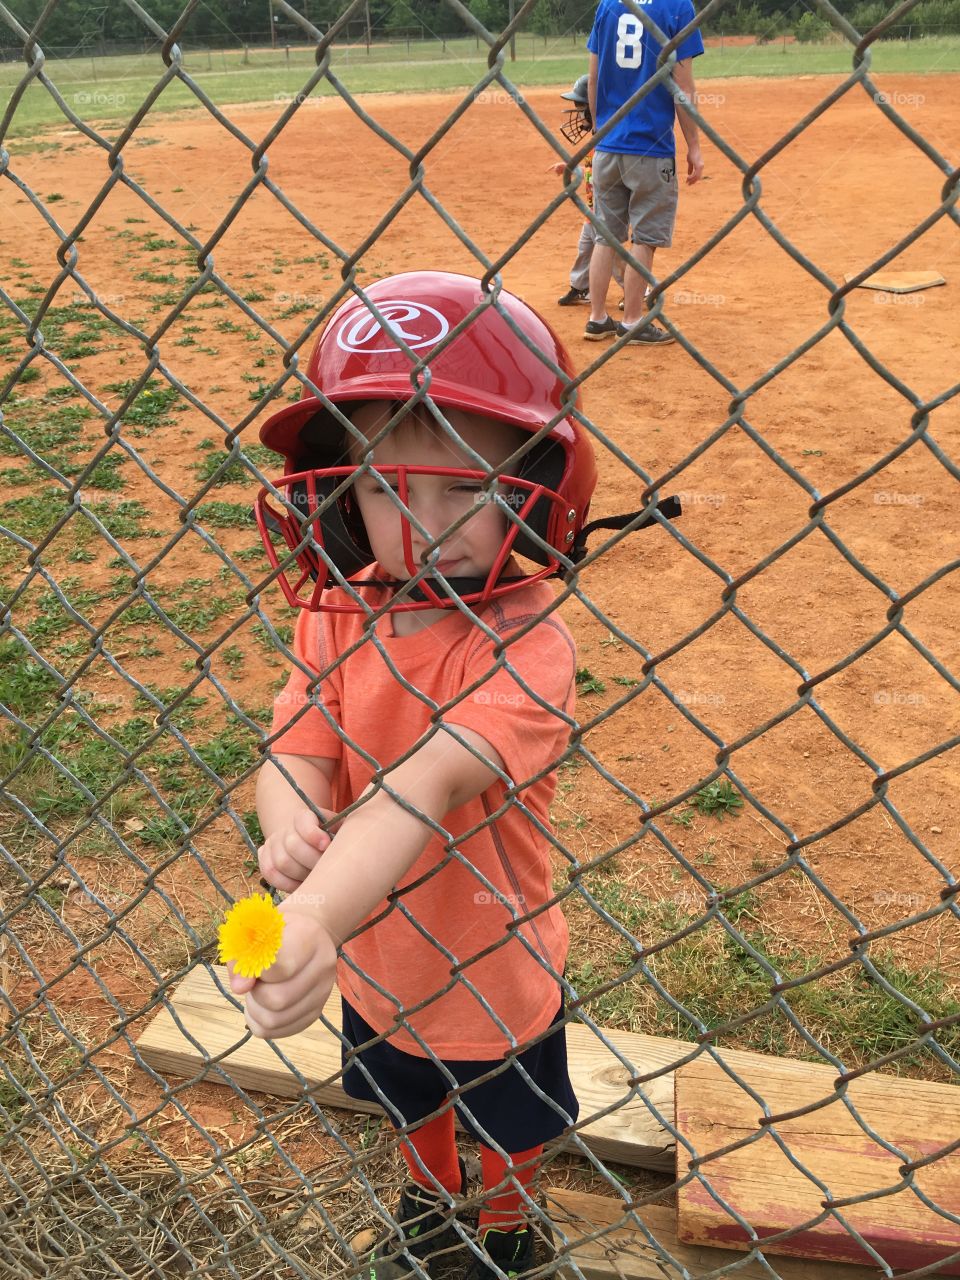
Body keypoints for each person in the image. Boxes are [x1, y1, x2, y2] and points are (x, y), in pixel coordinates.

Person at [233, 271, 598, 1279]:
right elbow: (296, 748)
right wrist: (290, 823)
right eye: (387, 487)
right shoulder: (338, 608)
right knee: (406, 1098)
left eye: (463, 489)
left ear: (533, 492)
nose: (422, 523)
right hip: (376, 955)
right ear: (343, 490)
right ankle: (433, 1199)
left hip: (491, 967)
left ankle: (512, 1218)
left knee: (509, 1117)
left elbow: (418, 787)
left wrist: (313, 916)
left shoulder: (529, 647)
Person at [583, 0, 705, 347]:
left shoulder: (609, 4)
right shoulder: (677, 5)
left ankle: (597, 318)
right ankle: (633, 320)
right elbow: (682, 88)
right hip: (650, 145)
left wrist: (600, 131)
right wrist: (693, 146)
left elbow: (593, 78)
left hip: (608, 143)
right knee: (645, 237)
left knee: (605, 234)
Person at [551, 75, 624, 308]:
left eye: (581, 107)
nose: (576, 114)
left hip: (608, 208)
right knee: (585, 249)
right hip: (593, 208)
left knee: (611, 254)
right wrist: (572, 168)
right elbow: (593, 168)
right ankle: (581, 287)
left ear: (596, 108)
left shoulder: (609, 139)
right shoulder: (596, 138)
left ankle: (639, 289)